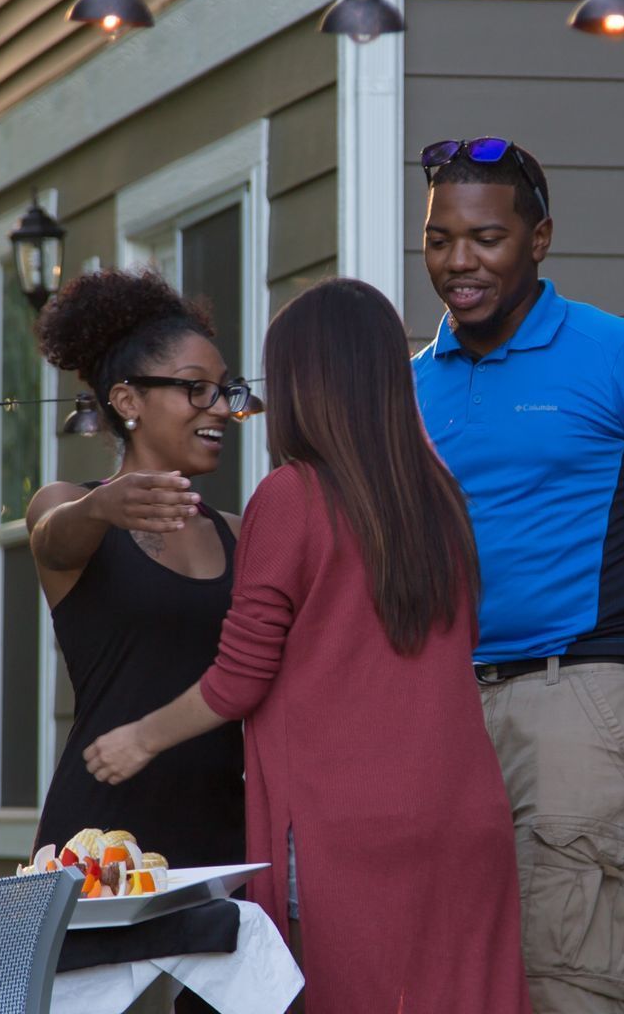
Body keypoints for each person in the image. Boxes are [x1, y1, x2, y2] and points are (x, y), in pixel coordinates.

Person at [83, 278, 532, 1014]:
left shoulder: (292, 497)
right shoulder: (441, 498)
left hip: (345, 834)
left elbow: (241, 677)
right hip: (464, 818)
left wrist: (138, 738)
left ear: (301, 384)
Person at [410, 138, 624, 1014]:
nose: (458, 261)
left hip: (584, 687)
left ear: (539, 239)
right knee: (454, 976)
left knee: (566, 977)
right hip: (444, 703)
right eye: (440, 239)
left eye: (485, 238)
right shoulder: (408, 387)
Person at [25, 267, 248, 870]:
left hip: (226, 840)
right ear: (128, 401)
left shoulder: (238, 533)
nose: (220, 408)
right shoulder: (69, 506)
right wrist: (102, 506)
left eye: (224, 389)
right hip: (103, 839)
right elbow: (53, 542)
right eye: (196, 388)